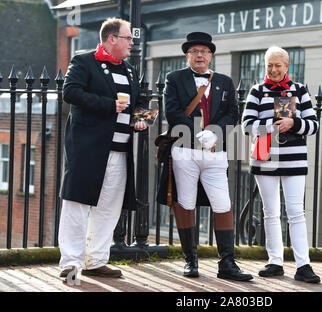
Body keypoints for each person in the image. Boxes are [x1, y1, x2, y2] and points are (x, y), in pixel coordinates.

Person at [58, 17, 147, 279]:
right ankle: (71, 262)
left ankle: (96, 260)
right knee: (77, 204)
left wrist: (141, 119)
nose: (132, 42)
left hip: (120, 150)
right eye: (128, 38)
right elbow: (70, 92)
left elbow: (138, 103)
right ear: (112, 39)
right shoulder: (84, 61)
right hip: (88, 149)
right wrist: (108, 105)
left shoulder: (130, 70)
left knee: (109, 207)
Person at [162, 32, 253, 281]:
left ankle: (227, 264)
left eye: (203, 51)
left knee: (223, 204)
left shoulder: (224, 81)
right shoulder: (174, 78)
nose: (199, 55)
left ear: (211, 55)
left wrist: (215, 133)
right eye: (194, 51)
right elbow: (172, 111)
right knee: (187, 203)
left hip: (215, 153)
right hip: (185, 150)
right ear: (187, 55)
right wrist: (194, 133)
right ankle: (190, 261)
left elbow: (233, 113)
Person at [241, 46, 320, 283]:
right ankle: (275, 262)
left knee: (296, 212)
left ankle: (303, 265)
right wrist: (272, 124)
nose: (273, 69)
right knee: (270, 212)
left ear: (287, 66)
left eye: (278, 65)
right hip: (265, 157)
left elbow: (314, 125)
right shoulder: (257, 91)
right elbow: (246, 124)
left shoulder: (300, 90)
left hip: (294, 158)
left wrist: (293, 123)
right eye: (269, 65)